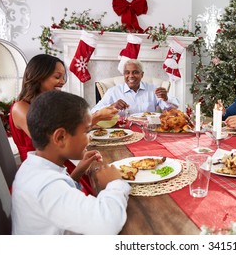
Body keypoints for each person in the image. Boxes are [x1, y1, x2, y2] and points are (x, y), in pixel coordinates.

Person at [11, 90, 130, 234]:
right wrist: (115, 183)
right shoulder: (46, 186)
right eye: (86, 132)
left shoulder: (32, 167)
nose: (90, 138)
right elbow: (108, 224)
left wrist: (77, 172)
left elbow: (60, 196)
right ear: (60, 137)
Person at [9, 54, 118, 195]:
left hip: (60, 166)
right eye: (57, 77)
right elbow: (52, 139)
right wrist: (96, 117)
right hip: (42, 173)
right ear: (39, 76)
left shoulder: (47, 105)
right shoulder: (20, 107)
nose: (62, 82)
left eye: (63, 77)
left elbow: (68, 132)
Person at [91, 59, 179, 115]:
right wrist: (112, 106)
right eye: (127, 72)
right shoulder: (113, 91)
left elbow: (174, 109)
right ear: (124, 75)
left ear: (142, 75)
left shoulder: (153, 89)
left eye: (135, 72)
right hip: (122, 132)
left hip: (147, 130)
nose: (131, 76)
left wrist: (166, 98)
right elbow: (93, 112)